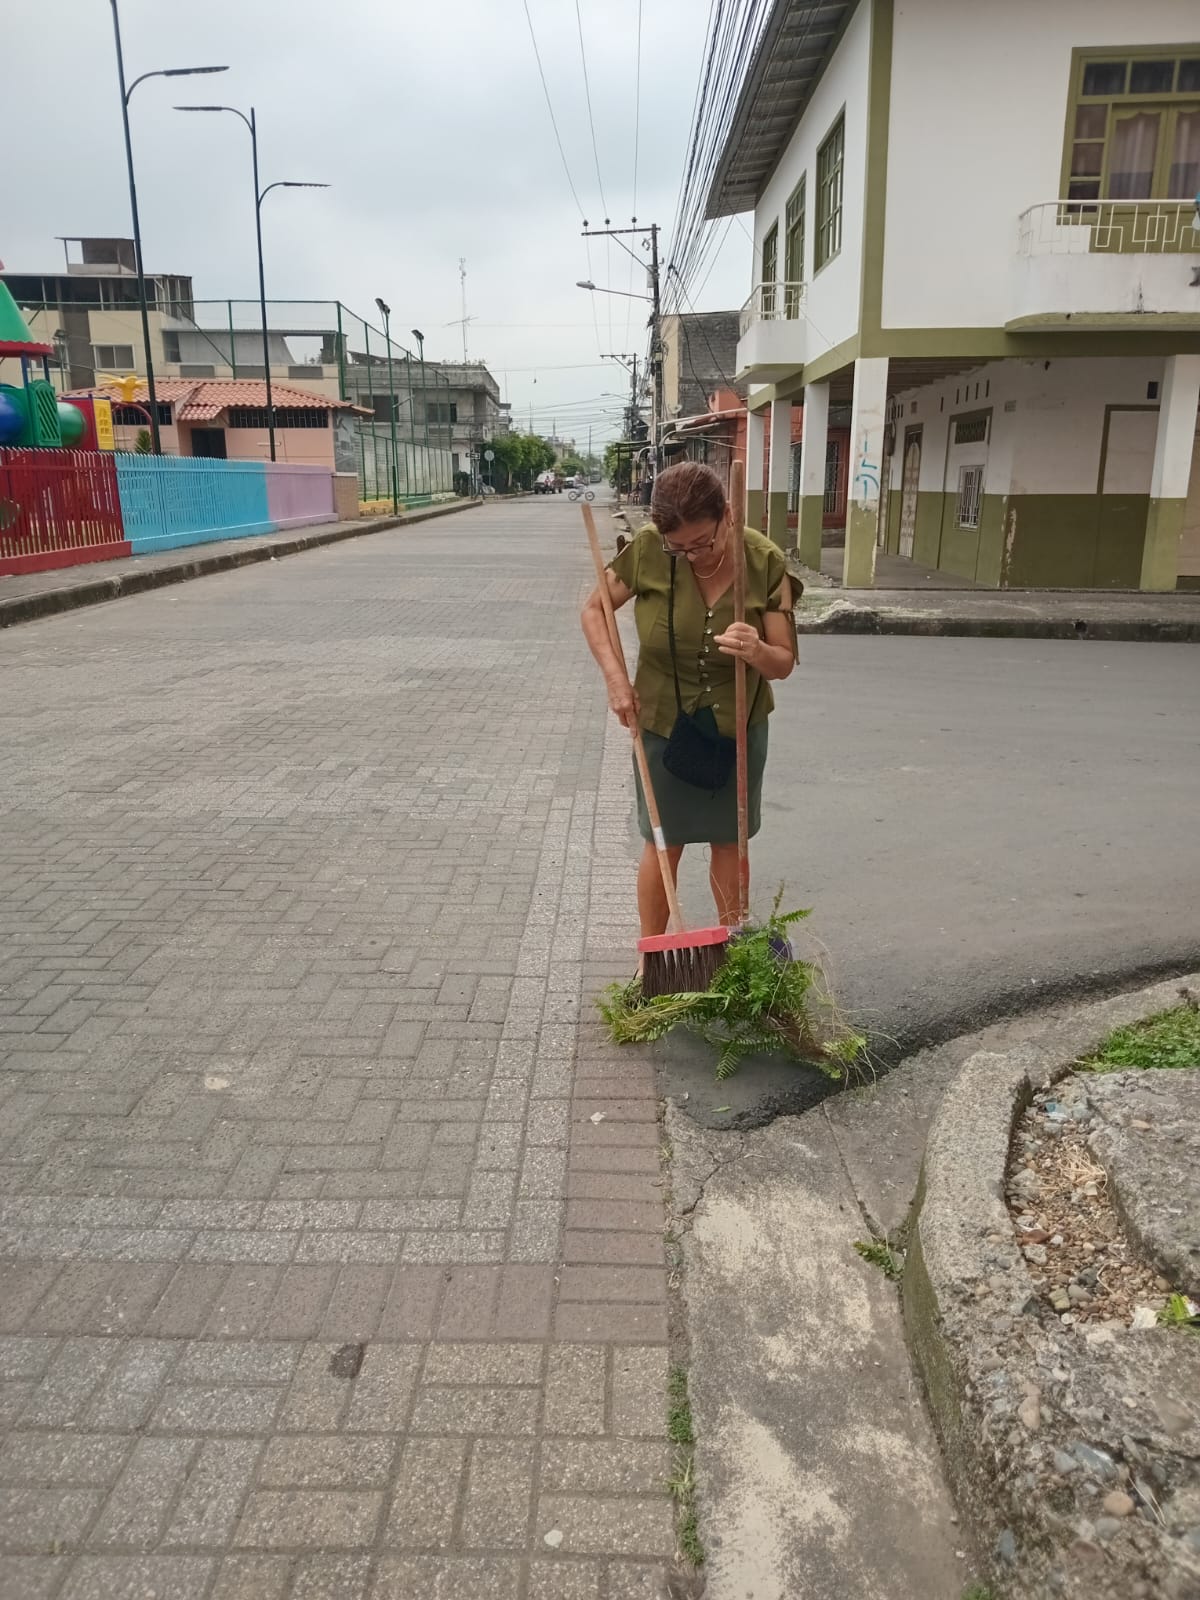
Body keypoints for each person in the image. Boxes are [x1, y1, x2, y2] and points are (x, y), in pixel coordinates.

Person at [581, 460, 795, 942]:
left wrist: (758, 650)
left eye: (702, 542)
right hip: (662, 722)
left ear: (727, 514)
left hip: (736, 725)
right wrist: (616, 681)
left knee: (729, 841)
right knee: (664, 843)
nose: (692, 555)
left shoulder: (764, 561)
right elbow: (594, 610)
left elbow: (782, 663)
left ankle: (733, 953)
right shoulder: (648, 551)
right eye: (678, 548)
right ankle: (653, 958)